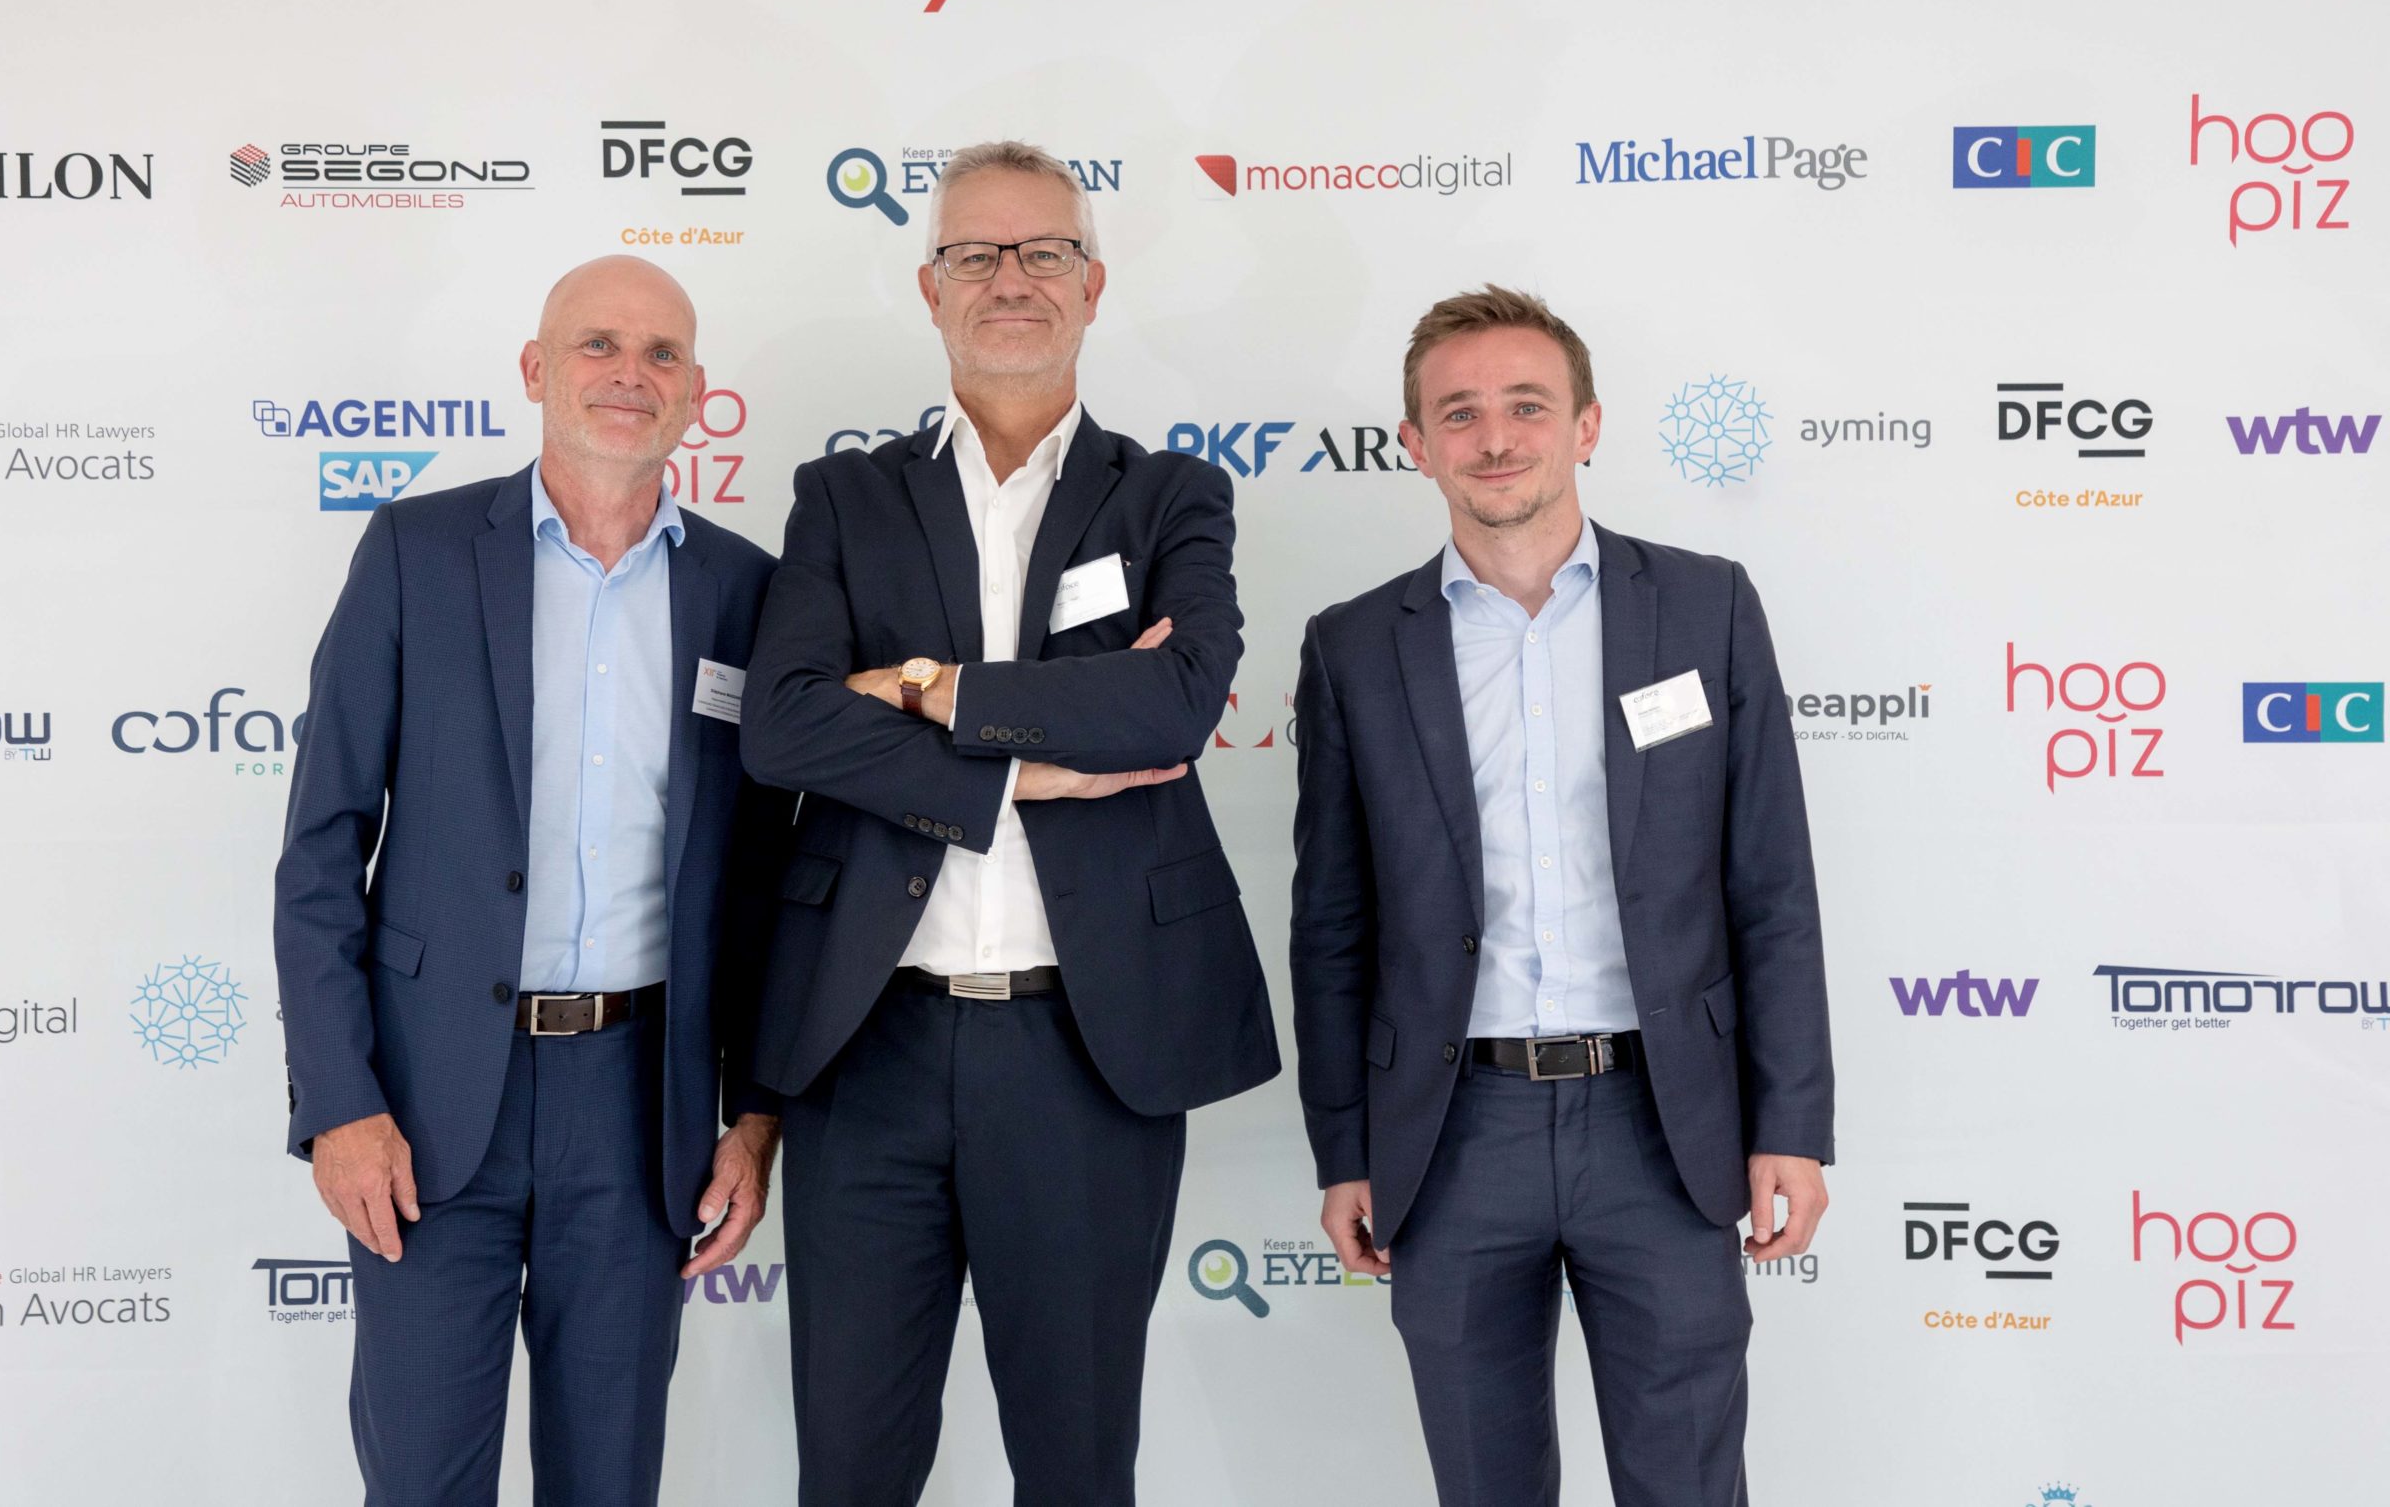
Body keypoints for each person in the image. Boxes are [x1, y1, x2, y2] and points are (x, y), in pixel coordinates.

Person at [739, 140, 1279, 1507]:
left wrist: (925, 686)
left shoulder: (1170, 496)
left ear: (1092, 284)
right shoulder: (843, 499)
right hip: (867, 1047)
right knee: (849, 1468)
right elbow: (786, 726)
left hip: (1086, 1052)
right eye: (976, 253)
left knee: (1077, 1464)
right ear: (931, 288)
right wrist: (1014, 776)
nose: (1011, 279)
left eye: (1044, 251)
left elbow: (1170, 705)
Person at [1288, 285, 1834, 1506]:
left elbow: (1771, 886)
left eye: (1527, 406)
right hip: (1451, 1136)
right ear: (1415, 443)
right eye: (1459, 413)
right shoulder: (1354, 647)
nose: (1495, 438)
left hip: (1665, 1125)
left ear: (1586, 425)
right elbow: (1331, 925)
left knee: (1686, 1482)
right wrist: (1345, 1149)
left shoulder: (1705, 607)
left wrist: (1790, 1124)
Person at [273, 255, 789, 1505]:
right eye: (597, 345)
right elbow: (322, 845)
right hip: (427, 1105)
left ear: (696, 392)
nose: (629, 374)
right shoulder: (417, 551)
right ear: (535, 370)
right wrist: (339, 1103)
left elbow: (766, 881)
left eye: (661, 354)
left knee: (608, 1480)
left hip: (642, 1110)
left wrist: (757, 1114)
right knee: (421, 1481)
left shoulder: (744, 590)